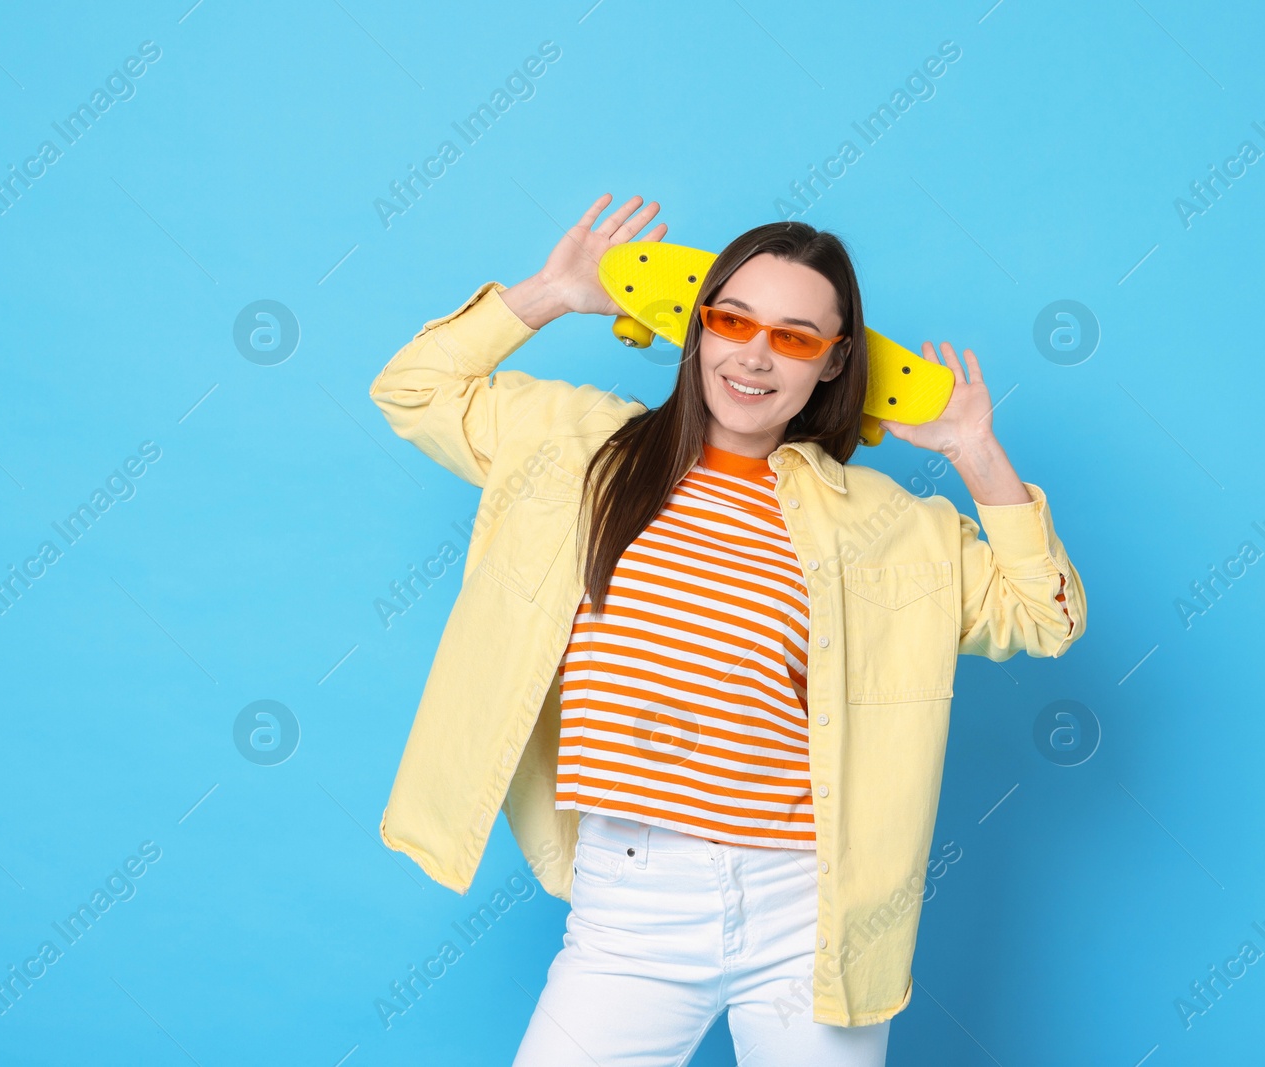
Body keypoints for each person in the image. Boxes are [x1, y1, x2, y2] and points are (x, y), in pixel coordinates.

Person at [368, 193, 1087, 1066]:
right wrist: (553, 293)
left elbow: (1044, 615)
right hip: (632, 901)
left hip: (810, 908)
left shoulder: (885, 522)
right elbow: (411, 386)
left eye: (795, 335)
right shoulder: (579, 448)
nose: (754, 354)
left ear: (833, 362)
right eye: (732, 319)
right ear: (696, 327)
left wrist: (974, 448)